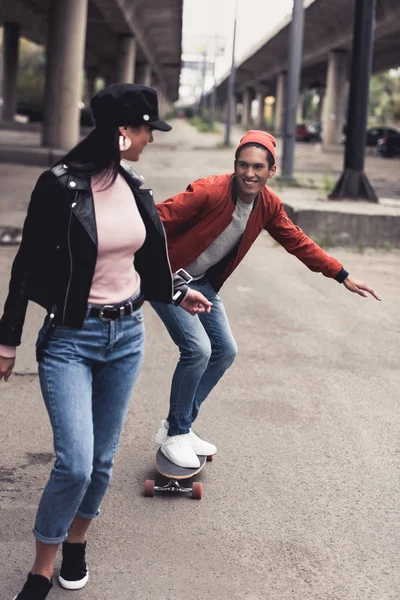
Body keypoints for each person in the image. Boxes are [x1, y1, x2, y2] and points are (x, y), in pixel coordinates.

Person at [0, 83, 211, 600]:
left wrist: (176, 293)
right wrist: (7, 343)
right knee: (74, 461)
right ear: (122, 132)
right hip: (71, 336)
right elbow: (25, 265)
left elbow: (144, 257)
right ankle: (40, 568)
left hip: (127, 336)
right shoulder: (58, 186)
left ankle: (77, 542)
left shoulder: (135, 185)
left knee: (100, 462)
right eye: (145, 130)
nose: (150, 140)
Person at [151, 129, 381, 469]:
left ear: (270, 170)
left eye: (258, 167)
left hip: (205, 283)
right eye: (243, 165)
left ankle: (177, 426)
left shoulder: (268, 204)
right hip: (168, 279)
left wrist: (342, 274)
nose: (249, 173)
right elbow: (156, 218)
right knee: (198, 349)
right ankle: (178, 431)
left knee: (224, 351)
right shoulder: (208, 191)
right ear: (235, 166)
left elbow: (297, 241)